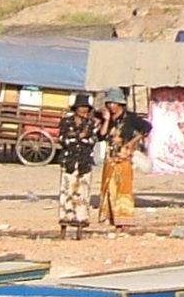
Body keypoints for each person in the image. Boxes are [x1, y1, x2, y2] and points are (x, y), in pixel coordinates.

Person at [56, 94, 100, 225]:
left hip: (84, 161)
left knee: (83, 191)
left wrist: (76, 137)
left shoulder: (91, 124)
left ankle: (81, 218)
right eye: (81, 107)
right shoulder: (66, 122)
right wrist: (80, 136)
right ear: (76, 108)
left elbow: (92, 141)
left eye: (86, 107)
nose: (84, 110)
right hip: (68, 160)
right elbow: (63, 140)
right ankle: (66, 217)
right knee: (66, 190)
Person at [103, 97, 143, 229]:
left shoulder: (130, 118)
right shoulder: (108, 119)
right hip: (110, 158)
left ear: (120, 104)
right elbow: (102, 135)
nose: (111, 106)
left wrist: (132, 143)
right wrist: (107, 120)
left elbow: (147, 128)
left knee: (124, 188)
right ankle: (113, 218)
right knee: (109, 187)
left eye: (113, 103)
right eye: (109, 103)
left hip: (124, 158)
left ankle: (124, 218)